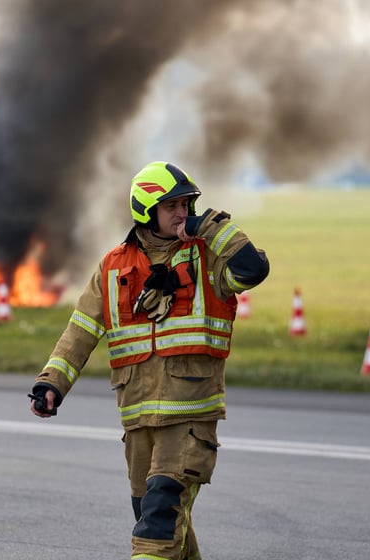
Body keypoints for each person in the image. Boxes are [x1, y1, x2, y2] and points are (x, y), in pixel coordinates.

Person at [29, 161, 270, 560]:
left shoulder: (206, 258)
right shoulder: (113, 267)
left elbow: (252, 269)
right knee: (161, 526)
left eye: (187, 204)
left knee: (157, 527)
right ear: (146, 209)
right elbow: (82, 330)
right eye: (172, 205)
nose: (182, 213)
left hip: (190, 419)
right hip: (138, 423)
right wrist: (51, 382)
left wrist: (210, 225)